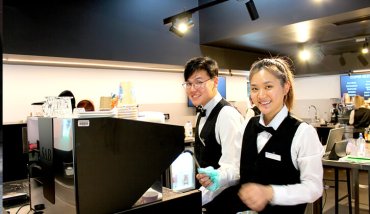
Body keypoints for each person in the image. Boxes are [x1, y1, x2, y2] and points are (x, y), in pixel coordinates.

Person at [207, 57, 323, 214]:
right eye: (254, 89)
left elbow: (313, 188)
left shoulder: (303, 132)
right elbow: (238, 168)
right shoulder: (248, 125)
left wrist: (270, 193)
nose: (261, 95)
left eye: (268, 86)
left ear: (285, 87)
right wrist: (219, 176)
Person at [182, 56, 244, 208]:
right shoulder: (201, 113)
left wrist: (198, 199)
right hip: (209, 198)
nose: (192, 89)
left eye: (199, 82)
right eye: (189, 83)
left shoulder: (227, 115)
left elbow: (235, 169)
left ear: (215, 82)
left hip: (224, 202)